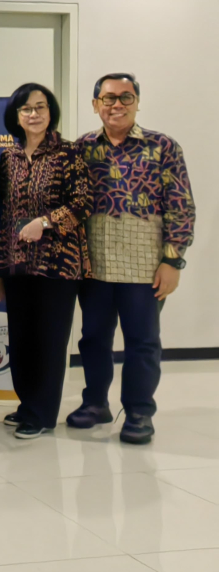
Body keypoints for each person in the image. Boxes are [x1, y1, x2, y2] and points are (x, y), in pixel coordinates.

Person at [69, 73, 194, 444]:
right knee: (93, 339)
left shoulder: (162, 147)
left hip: (145, 264)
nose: (117, 105)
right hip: (94, 263)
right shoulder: (82, 149)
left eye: (126, 97)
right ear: (96, 105)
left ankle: (139, 411)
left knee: (142, 341)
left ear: (137, 102)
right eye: (108, 98)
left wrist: (173, 261)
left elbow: (181, 207)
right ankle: (95, 403)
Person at [0, 83, 92, 440]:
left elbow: (84, 203)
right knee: (21, 338)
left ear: (51, 113)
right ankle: (27, 404)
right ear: (16, 116)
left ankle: (43, 414)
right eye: (26, 109)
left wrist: (46, 222)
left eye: (40, 107)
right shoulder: (9, 157)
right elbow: (4, 215)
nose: (33, 114)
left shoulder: (69, 153)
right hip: (18, 266)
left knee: (49, 341)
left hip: (58, 265)